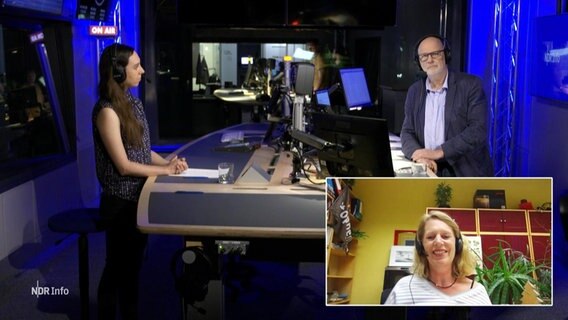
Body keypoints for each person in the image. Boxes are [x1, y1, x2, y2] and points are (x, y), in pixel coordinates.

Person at [92, 43, 188, 319]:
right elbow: (123, 166)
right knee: (117, 268)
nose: (142, 70)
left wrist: (168, 163)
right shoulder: (107, 112)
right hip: (120, 202)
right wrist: (165, 172)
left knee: (133, 267)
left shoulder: (132, 103)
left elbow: (142, 150)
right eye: (136, 66)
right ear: (118, 72)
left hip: (139, 196)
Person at [400, 34, 493, 177]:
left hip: (465, 172)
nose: (429, 60)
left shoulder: (471, 85)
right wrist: (419, 156)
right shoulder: (414, 91)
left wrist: (438, 153)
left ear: (446, 55)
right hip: (428, 169)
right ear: (418, 62)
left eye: (435, 54)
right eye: (424, 56)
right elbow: (407, 132)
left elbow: (477, 130)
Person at [384, 210, 491, 305]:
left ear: (458, 244)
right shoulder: (403, 288)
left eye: (445, 236)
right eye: (430, 237)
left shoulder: (478, 292)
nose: (438, 242)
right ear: (421, 247)